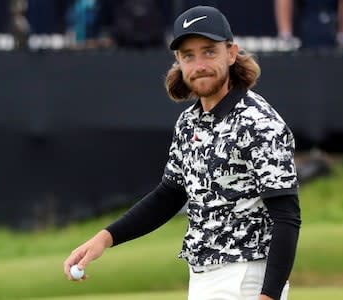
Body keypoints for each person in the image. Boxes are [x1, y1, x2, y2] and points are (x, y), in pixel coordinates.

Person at [63, 5, 301, 300]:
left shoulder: (259, 121)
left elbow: (287, 216)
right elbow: (170, 195)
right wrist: (105, 238)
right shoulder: (190, 122)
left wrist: (269, 295)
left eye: (209, 52)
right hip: (202, 276)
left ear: (231, 53)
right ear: (178, 61)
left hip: (246, 277)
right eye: (189, 55)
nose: (199, 64)